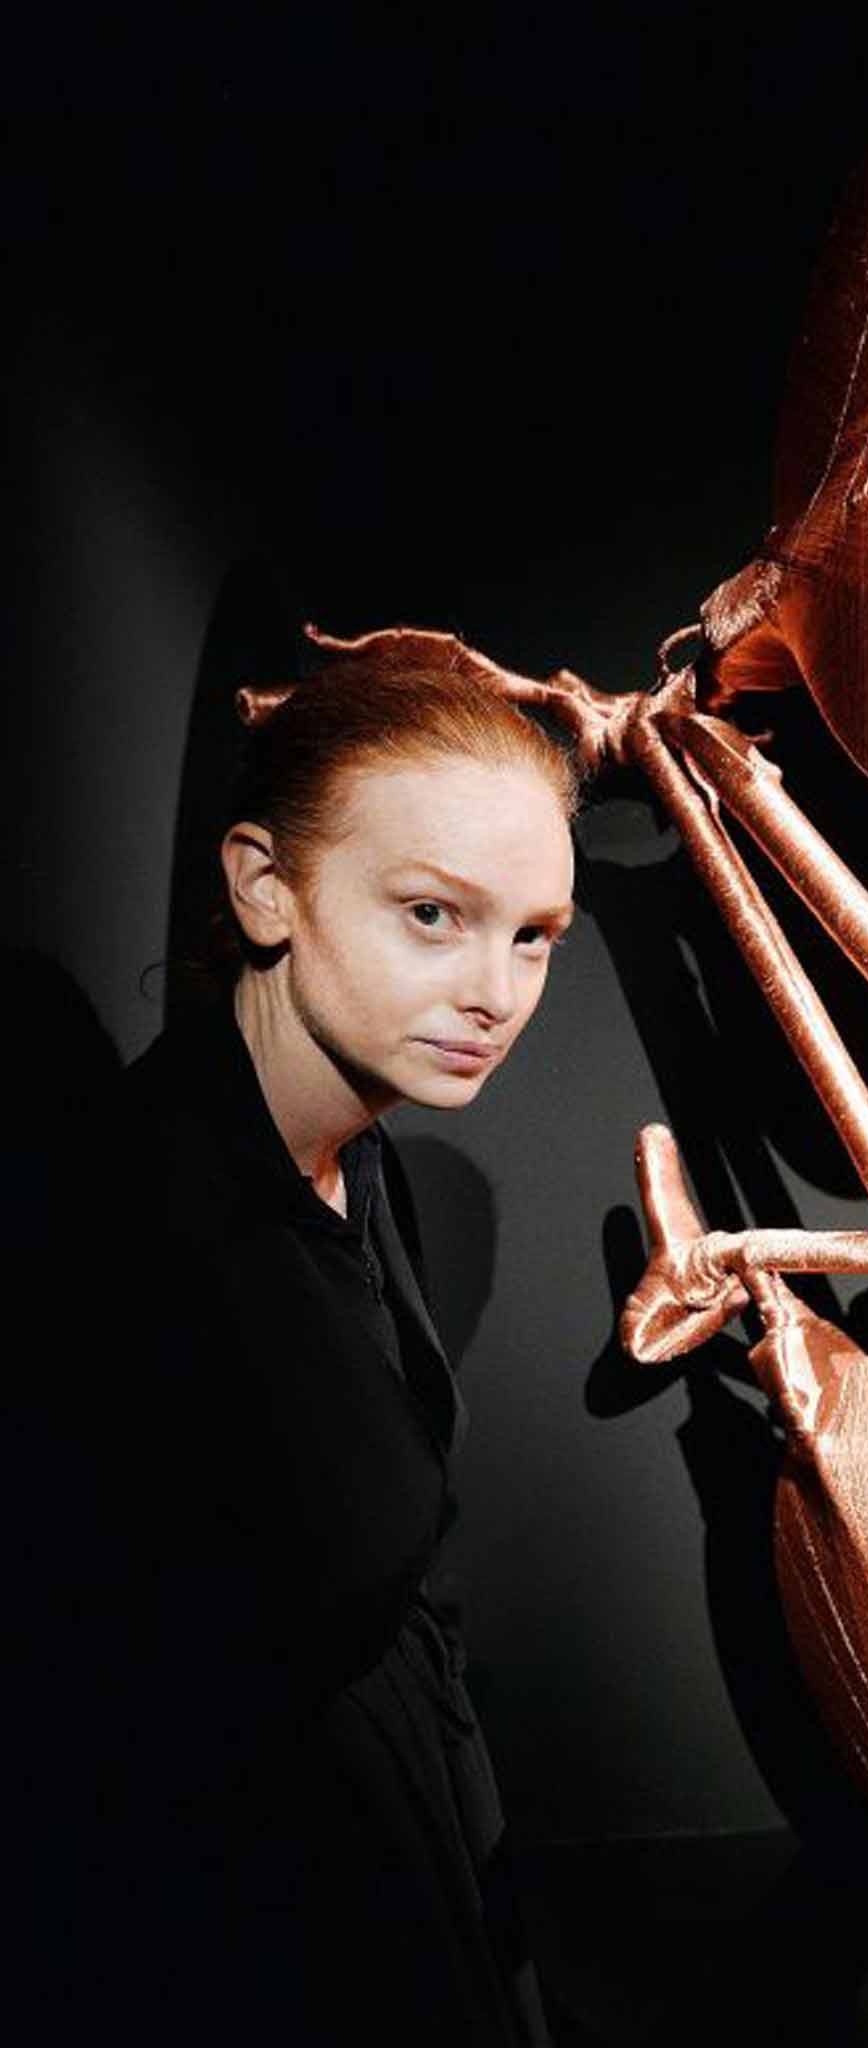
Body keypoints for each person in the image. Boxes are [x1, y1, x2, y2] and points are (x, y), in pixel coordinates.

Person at [17, 625, 578, 2044]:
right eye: (434, 915)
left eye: (533, 937)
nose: (495, 993)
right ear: (269, 886)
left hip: (411, 1855)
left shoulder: (361, 1163)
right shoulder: (144, 1229)